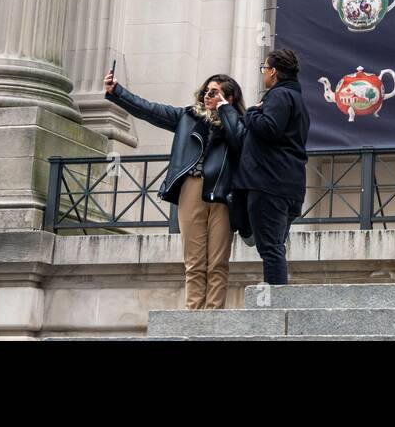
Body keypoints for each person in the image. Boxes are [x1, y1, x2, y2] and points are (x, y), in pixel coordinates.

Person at [103, 68, 246, 310]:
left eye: (215, 92)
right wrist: (117, 92)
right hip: (191, 187)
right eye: (205, 91)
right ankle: (192, 316)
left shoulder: (238, 122)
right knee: (194, 260)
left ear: (230, 97)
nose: (207, 96)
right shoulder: (187, 117)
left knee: (218, 263)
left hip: (222, 195)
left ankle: (213, 318)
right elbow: (149, 110)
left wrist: (224, 110)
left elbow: (240, 142)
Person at [231, 48, 309, 286]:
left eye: (265, 68)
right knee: (275, 246)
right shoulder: (298, 100)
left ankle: (275, 305)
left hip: (269, 184)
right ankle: (277, 302)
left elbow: (269, 128)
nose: (263, 72)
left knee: (271, 249)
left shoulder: (278, 96)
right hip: (289, 185)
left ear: (273, 72)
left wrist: (252, 112)